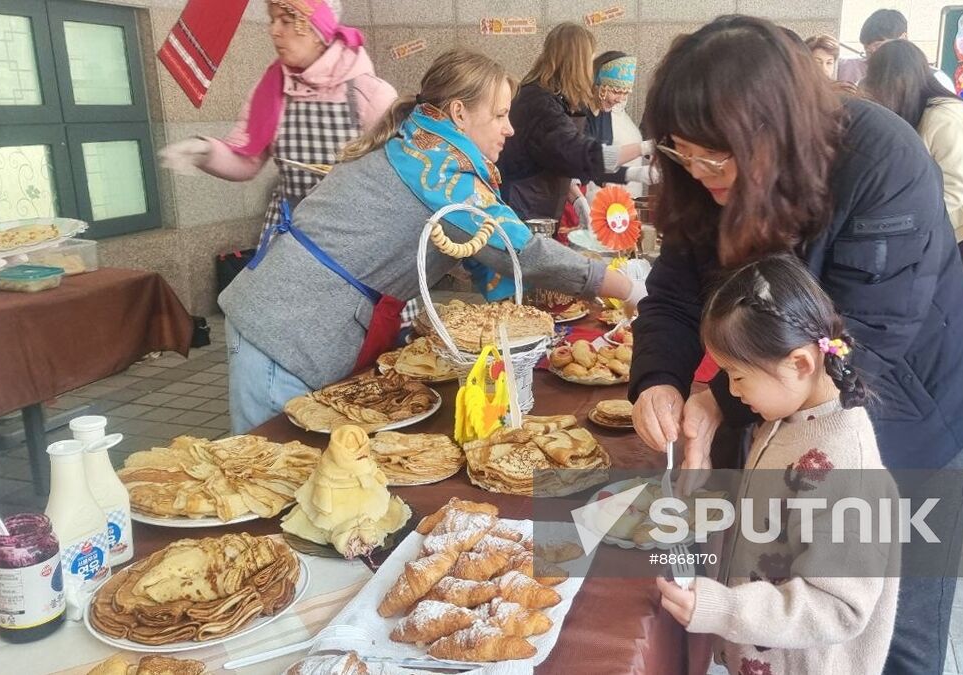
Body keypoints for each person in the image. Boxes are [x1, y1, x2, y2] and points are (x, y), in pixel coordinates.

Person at [630, 17, 963, 675]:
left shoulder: (882, 160)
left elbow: (864, 341)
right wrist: (656, 375)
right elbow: (676, 290)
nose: (701, 170)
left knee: (887, 621)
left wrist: (717, 398)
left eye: (718, 155)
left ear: (773, 131)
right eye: (684, 151)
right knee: (775, 579)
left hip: (902, 407)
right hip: (786, 407)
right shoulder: (698, 174)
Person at [217, 50, 645, 433]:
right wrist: (623, 286)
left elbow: (484, 251)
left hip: (296, 323)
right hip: (287, 330)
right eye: (499, 115)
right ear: (460, 112)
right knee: (273, 468)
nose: (510, 129)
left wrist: (529, 319)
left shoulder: (423, 147)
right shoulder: (438, 170)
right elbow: (519, 249)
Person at [656, 254, 899, 675]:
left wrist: (724, 608)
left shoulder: (846, 469)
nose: (730, 391)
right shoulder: (788, 416)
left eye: (737, 375)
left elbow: (837, 606)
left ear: (800, 363)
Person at [160, 0, 397, 237]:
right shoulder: (269, 90)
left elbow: (391, 177)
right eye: (272, 20)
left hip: (349, 232)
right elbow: (247, 159)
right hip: (286, 228)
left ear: (316, 30)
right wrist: (205, 151)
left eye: (285, 21)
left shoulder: (371, 94)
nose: (274, 31)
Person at [861, 40, 963, 318]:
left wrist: (911, 235)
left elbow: (954, 191)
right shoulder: (925, 114)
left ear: (895, 82)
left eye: (874, 83)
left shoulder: (942, 117)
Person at [497, 23, 653, 221]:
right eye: (589, 61)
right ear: (577, 63)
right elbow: (581, 155)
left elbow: (560, 159)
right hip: (524, 210)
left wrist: (576, 197)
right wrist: (643, 149)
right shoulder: (540, 103)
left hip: (539, 204)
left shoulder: (550, 99)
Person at [567, 51, 654, 224]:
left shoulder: (605, 113)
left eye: (624, 93)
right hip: (570, 195)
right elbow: (591, 161)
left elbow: (604, 164)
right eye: (615, 91)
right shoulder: (579, 114)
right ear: (598, 85)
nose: (619, 99)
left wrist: (633, 175)